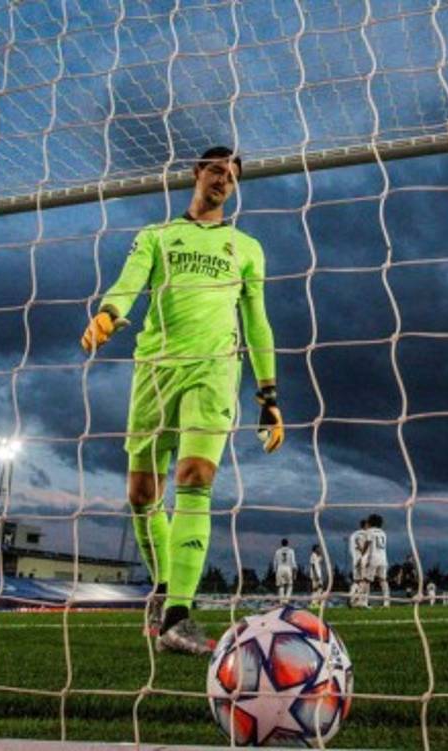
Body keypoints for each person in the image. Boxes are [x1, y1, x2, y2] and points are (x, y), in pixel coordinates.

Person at [81, 146, 282, 655]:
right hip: (154, 370)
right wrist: (109, 313)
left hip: (215, 371)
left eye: (232, 176)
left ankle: (178, 616)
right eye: (216, 170)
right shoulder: (156, 235)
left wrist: (268, 393)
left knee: (194, 477)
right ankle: (165, 588)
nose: (223, 180)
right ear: (197, 172)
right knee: (141, 493)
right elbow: (130, 282)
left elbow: (257, 321)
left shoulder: (247, 247)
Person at [365, 514, 389, 608]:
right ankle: (386, 602)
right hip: (383, 558)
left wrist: (363, 555)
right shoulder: (383, 533)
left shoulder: (369, 532)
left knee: (367, 581)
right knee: (383, 580)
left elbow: (368, 544)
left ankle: (365, 601)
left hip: (373, 558)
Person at [348, 519, 370, 607]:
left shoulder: (353, 534)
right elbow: (362, 547)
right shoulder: (364, 534)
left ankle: (351, 597)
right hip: (362, 559)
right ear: (366, 525)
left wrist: (355, 558)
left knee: (357, 581)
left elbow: (351, 548)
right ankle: (363, 602)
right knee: (365, 581)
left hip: (355, 559)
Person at [273, 538, 296, 604]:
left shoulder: (277, 551)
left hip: (280, 568)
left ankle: (281, 601)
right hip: (288, 568)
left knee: (281, 586)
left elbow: (275, 562)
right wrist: (294, 570)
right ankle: (286, 600)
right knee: (290, 585)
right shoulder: (291, 551)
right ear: (287, 543)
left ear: (281, 543)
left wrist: (275, 570)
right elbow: (293, 562)